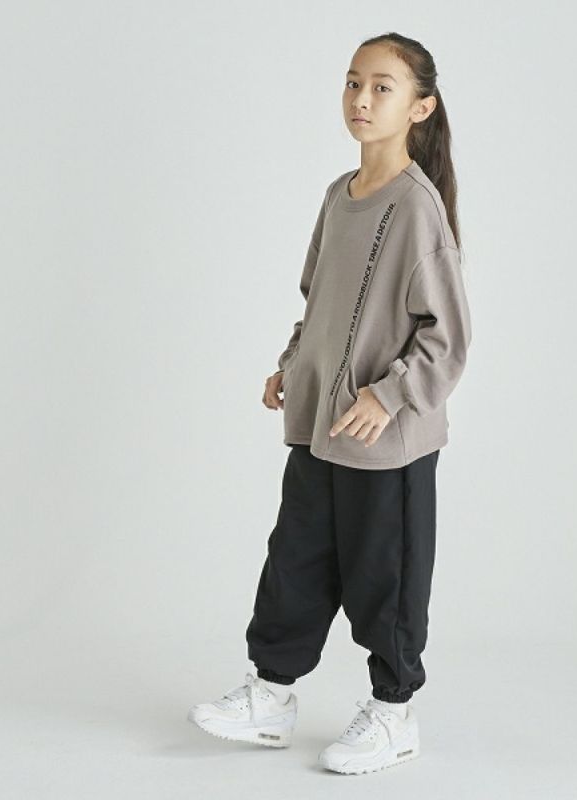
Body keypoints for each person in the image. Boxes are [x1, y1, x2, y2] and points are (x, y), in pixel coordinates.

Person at [188, 31, 472, 775]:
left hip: (387, 438)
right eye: (353, 83)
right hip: (320, 425)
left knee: (386, 573)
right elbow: (319, 302)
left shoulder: (418, 209)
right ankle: (272, 696)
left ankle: (393, 713)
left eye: (382, 87)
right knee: (298, 557)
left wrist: (389, 394)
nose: (361, 99)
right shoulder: (337, 197)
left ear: (420, 108)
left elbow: (448, 338)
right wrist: (292, 363)